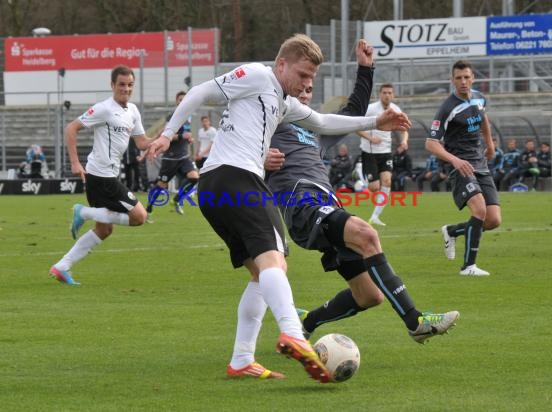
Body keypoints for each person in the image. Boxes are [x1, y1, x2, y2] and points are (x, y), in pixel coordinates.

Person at [146, 34, 411, 383]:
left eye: (311, 78)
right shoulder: (257, 76)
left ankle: (242, 359)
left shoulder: (283, 104)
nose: (307, 84)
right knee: (276, 261)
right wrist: (168, 132)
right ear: (281, 64)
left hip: (216, 189)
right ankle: (294, 334)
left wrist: (375, 123)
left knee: (260, 274)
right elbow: (199, 92)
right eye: (302, 75)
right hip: (235, 177)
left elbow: (323, 122)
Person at [265, 39, 458, 346]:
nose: (304, 92)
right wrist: (261, 159)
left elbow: (353, 111)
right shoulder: (269, 123)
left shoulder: (315, 129)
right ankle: (415, 320)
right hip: (303, 207)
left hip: (325, 206)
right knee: (367, 234)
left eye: (309, 90)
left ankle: (306, 321)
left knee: (369, 295)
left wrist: (366, 68)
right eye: (299, 86)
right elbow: (235, 155)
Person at [49, 65, 154, 285]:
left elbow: (142, 142)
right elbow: (71, 128)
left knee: (104, 229)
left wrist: (163, 139)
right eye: (122, 85)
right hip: (100, 177)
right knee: (140, 217)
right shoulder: (104, 109)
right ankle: (84, 212)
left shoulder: (132, 111)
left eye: (130, 85)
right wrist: (76, 163)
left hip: (110, 176)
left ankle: (62, 267)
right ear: (112, 85)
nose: (126, 89)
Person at [426, 59, 502, 276]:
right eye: (458, 78)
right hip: (460, 166)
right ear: (452, 80)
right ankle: (468, 267)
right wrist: (455, 160)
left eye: (467, 77)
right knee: (479, 209)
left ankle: (451, 231)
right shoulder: (446, 108)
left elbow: (483, 117)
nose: (463, 82)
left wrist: (490, 144)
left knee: (493, 219)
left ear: (473, 78)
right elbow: (430, 143)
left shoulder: (479, 98)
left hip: (480, 163)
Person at [357, 83, 409, 226]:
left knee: (387, 182)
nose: (387, 95)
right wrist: (370, 138)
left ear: (393, 95)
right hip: (369, 152)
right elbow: (356, 127)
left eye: (389, 93)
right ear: (380, 94)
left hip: (386, 152)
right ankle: (360, 179)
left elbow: (404, 129)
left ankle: (375, 216)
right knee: (374, 187)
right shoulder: (371, 109)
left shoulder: (396, 110)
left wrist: (404, 141)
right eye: (384, 92)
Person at [146, 91, 198, 219]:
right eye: (180, 99)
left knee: (194, 177)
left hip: (184, 157)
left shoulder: (188, 116)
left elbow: (186, 135)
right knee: (161, 186)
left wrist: (189, 139)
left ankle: (176, 200)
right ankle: (148, 208)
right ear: (176, 101)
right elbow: (166, 136)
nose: (182, 101)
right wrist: (181, 136)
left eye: (184, 99)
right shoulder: (173, 116)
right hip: (170, 158)